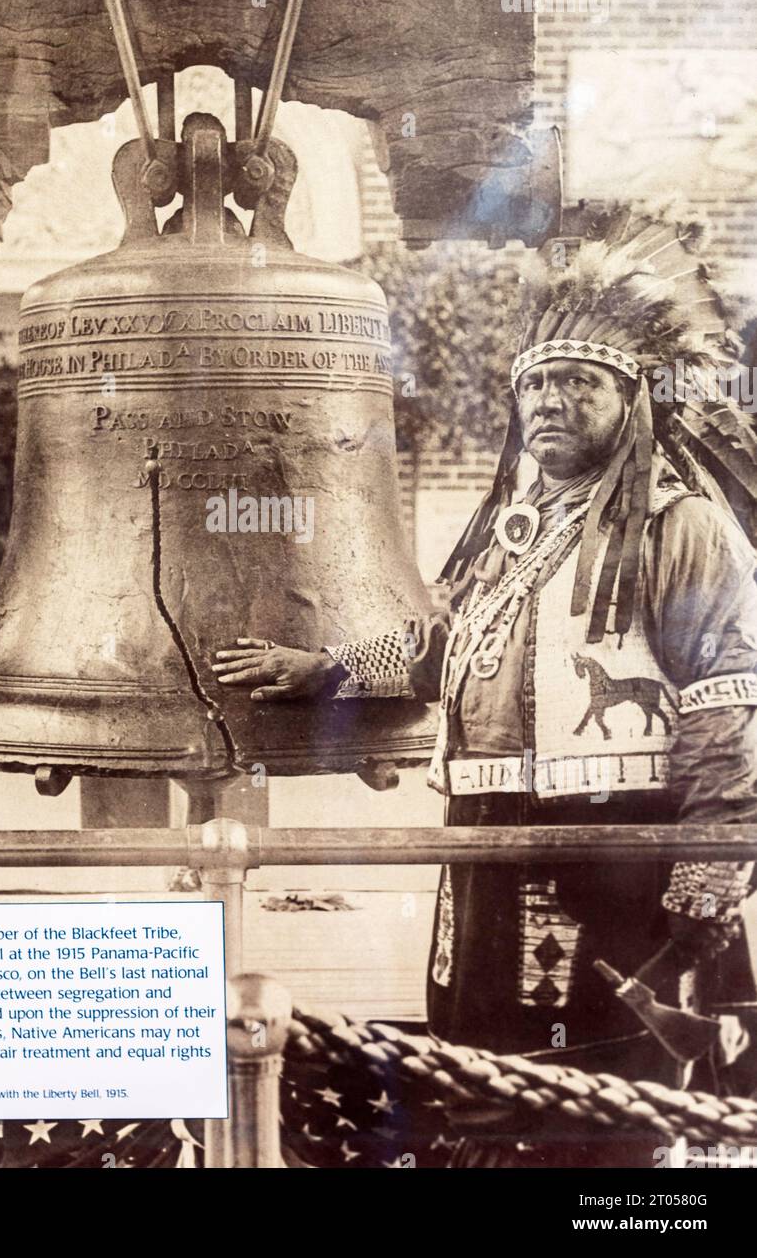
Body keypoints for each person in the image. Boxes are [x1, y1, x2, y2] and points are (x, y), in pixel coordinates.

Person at [212, 210, 757, 1158]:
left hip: (614, 853)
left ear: (631, 401)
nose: (548, 400)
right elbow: (442, 646)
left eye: (578, 383)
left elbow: (726, 701)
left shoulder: (678, 527)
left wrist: (706, 872)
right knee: (478, 1078)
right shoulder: (510, 536)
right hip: (485, 849)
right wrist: (325, 671)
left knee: (603, 1099)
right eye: (536, 384)